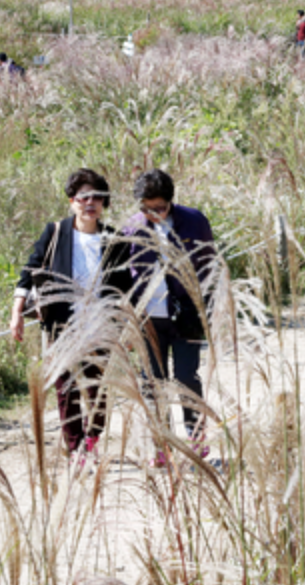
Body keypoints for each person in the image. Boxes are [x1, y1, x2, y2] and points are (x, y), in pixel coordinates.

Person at [9, 169, 131, 462]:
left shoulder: (114, 239)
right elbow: (29, 270)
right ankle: (75, 449)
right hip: (62, 325)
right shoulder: (56, 232)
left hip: (100, 327)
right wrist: (17, 312)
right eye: (83, 197)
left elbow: (125, 286)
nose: (90, 203)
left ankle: (92, 435)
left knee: (96, 389)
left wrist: (127, 326)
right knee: (66, 388)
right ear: (72, 201)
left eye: (97, 197)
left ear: (104, 202)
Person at [123, 169, 216, 464]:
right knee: (153, 383)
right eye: (147, 209)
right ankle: (161, 444)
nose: (154, 215)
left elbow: (210, 264)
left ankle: (195, 436)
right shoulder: (131, 229)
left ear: (171, 201)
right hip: (149, 319)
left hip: (187, 314)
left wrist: (209, 309)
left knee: (187, 377)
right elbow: (124, 279)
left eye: (160, 208)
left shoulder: (195, 221)